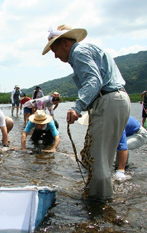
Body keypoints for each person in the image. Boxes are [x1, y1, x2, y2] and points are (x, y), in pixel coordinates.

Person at [42, 24, 130, 200]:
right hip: (116, 101)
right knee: (101, 159)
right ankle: (103, 197)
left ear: (66, 42)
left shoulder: (79, 53)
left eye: (55, 49)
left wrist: (77, 107)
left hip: (109, 101)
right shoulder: (86, 50)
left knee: (98, 161)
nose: (56, 55)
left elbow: (93, 81)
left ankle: (99, 205)